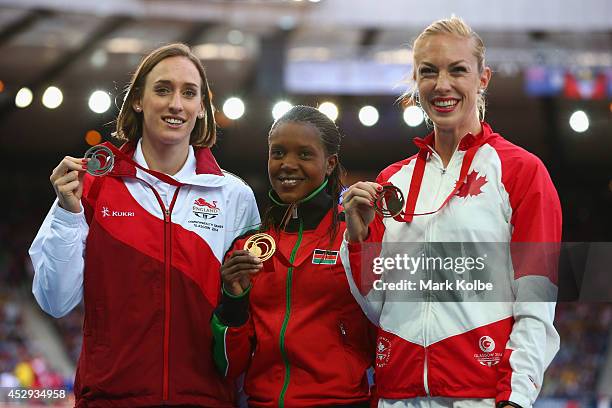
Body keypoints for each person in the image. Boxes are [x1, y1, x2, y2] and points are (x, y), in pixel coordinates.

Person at [340, 17, 561, 408]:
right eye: (428, 72)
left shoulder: (521, 173)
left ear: (483, 78)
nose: (442, 85)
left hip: (479, 398)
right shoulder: (393, 181)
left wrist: (515, 397)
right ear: (415, 81)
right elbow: (379, 307)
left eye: (457, 70)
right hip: (397, 395)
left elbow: (536, 302)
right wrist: (358, 242)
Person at [29, 43, 260, 407]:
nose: (176, 104)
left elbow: (249, 311)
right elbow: (54, 301)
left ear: (202, 107)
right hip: (111, 399)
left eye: (189, 93)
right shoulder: (91, 186)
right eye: (163, 89)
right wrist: (67, 213)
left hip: (205, 399)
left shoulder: (233, 196)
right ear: (137, 99)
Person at [210, 105, 375, 408]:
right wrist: (233, 298)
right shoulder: (249, 246)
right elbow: (230, 365)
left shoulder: (357, 235)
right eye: (278, 153)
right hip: (262, 402)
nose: (287, 164)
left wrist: (361, 246)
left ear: (330, 164)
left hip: (342, 401)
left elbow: (386, 326)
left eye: (304, 154)